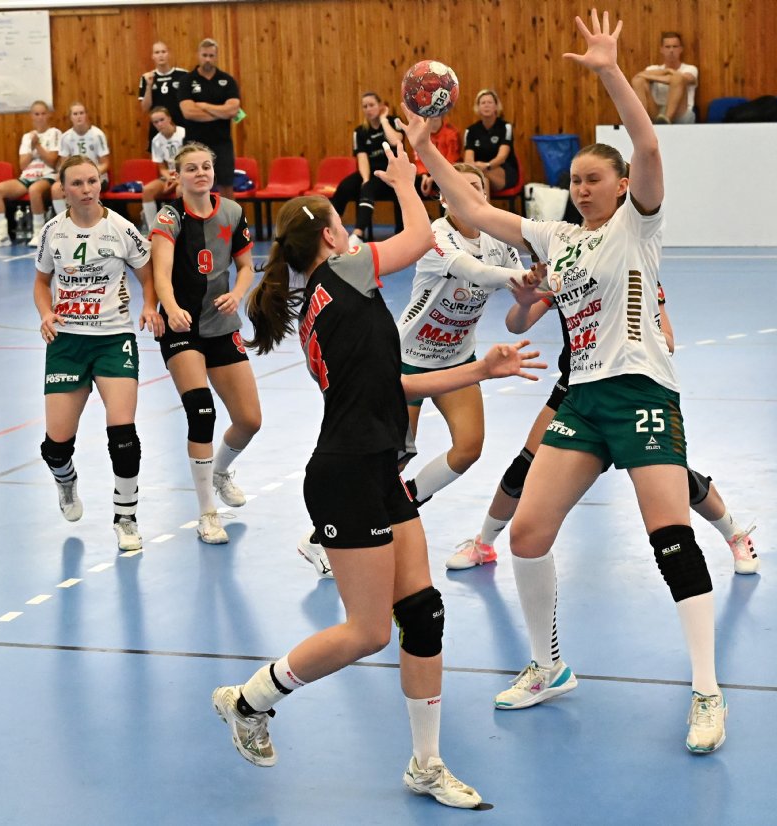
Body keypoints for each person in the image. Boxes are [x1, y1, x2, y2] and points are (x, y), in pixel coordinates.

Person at [405, 9, 726, 753]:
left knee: (670, 538)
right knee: (527, 534)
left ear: (621, 186)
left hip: (641, 392)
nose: (582, 189)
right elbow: (471, 207)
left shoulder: (637, 225)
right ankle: (549, 666)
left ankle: (708, 691)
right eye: (575, 180)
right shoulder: (558, 239)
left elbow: (648, 143)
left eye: (594, 179)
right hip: (582, 400)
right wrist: (425, 149)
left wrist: (610, 71)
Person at [213, 144, 541, 808]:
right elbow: (420, 238)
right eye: (341, 224)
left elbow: (395, 384)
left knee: (423, 613)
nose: (350, 234)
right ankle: (248, 701)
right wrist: (403, 182)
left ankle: (426, 764)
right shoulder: (343, 273)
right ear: (331, 238)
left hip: (375, 469)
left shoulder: (331, 298)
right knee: (369, 632)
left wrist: (479, 370)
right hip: (345, 477)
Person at [447, 275, 759, 576]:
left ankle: (735, 535)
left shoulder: (638, 273)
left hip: (630, 393)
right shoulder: (567, 270)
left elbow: (668, 342)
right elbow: (517, 323)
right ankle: (484, 544)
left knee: (677, 479)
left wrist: (627, 332)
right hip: (577, 390)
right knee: (524, 467)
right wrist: (526, 301)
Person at [34, 156, 163, 552]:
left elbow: (148, 275)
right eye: (77, 183)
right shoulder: (52, 231)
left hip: (112, 338)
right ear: (63, 189)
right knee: (55, 447)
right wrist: (46, 313)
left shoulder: (121, 228)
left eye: (92, 181)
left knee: (123, 434)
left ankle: (126, 518)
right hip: (67, 342)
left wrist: (149, 306)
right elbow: (41, 282)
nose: (87, 189)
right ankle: (66, 480)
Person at [396, 162, 529, 508]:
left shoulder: (497, 240)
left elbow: (524, 291)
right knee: (394, 458)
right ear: (443, 197)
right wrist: (530, 279)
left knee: (469, 448)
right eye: (458, 186)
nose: (468, 193)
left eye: (475, 187)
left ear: (486, 196)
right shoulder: (435, 237)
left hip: (456, 359)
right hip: (407, 360)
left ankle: (407, 499)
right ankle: (331, 528)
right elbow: (479, 273)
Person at [149, 143, 259, 544]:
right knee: (202, 413)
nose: (201, 173)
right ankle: (207, 514)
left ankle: (220, 471)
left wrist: (238, 294)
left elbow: (245, 266)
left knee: (249, 420)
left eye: (206, 167)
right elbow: (160, 273)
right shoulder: (170, 217)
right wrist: (171, 308)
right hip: (182, 328)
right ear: (178, 176)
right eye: (192, 168)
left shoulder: (231, 211)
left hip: (221, 325)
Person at [330, 92, 406, 239]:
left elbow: (396, 141)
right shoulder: (360, 132)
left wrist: (383, 120)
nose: (368, 109)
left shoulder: (394, 121)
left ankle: (357, 234)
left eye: (371, 105)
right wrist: (365, 179)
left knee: (369, 188)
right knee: (345, 187)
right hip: (370, 172)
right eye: (365, 106)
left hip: (392, 172)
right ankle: (329, 226)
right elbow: (362, 158)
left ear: (381, 106)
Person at [0, 100, 60, 249]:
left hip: (47, 175)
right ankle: (2, 235)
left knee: (34, 190)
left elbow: (52, 160)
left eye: (43, 114)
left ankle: (38, 233)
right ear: (32, 116)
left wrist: (37, 146)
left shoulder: (55, 133)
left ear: (48, 115)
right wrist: (32, 146)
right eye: (36, 114)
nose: (40, 117)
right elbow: (22, 165)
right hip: (27, 176)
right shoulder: (27, 137)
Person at [178, 38, 241, 198]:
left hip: (222, 143)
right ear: (198, 55)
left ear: (216, 56)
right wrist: (221, 112)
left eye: (211, 55)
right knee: (191, 186)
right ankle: (192, 215)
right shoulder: (187, 81)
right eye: (204, 55)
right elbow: (189, 112)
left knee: (226, 186)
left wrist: (204, 106)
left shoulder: (227, 81)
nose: (207, 59)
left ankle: (229, 215)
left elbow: (233, 110)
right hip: (194, 144)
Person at [51, 102, 111, 217]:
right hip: (75, 177)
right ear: (70, 117)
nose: (79, 116)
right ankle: (64, 220)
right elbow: (64, 164)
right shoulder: (66, 137)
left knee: (85, 187)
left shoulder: (98, 135)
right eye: (75, 114)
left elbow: (105, 163)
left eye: (81, 113)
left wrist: (90, 175)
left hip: (96, 177)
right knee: (56, 188)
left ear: (86, 115)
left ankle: (93, 217)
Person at [630, 31, 698, 124]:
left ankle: (666, 119)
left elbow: (681, 79)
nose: (671, 50)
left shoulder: (690, 69)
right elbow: (636, 78)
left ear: (681, 49)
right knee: (638, 81)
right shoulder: (653, 68)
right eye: (667, 47)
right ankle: (641, 121)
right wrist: (667, 71)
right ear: (661, 49)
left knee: (678, 78)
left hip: (681, 112)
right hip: (657, 111)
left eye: (675, 46)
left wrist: (653, 77)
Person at [463, 90, 519, 193]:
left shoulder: (505, 127)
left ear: (496, 107)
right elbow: (468, 159)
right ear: (478, 108)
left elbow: (502, 157)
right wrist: (476, 168)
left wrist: (487, 166)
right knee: (482, 179)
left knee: (480, 176)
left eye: (490, 102)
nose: (486, 105)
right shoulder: (471, 130)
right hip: (478, 170)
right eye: (483, 103)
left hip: (502, 170)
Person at [137, 41, 189, 150]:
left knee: (186, 156)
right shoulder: (146, 77)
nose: (160, 55)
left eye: (163, 52)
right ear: (153, 56)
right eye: (157, 52)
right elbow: (145, 108)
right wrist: (149, 86)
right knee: (159, 158)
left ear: (168, 54)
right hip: (158, 127)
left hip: (180, 125)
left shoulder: (183, 75)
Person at [142, 107, 187, 230]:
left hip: (185, 174)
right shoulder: (156, 140)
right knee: (147, 190)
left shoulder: (183, 133)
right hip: (171, 175)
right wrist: (170, 179)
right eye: (155, 122)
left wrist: (178, 181)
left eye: (162, 120)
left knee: (180, 190)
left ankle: (183, 227)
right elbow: (162, 168)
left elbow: (191, 161)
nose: (159, 124)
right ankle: (153, 229)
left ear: (169, 118)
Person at [414, 113, 462, 197]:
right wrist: (424, 176)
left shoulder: (451, 133)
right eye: (431, 111)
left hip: (446, 172)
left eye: (437, 110)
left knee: (446, 182)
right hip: (427, 173)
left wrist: (433, 178)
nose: (434, 114)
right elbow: (419, 160)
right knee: (412, 183)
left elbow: (451, 160)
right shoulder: (420, 134)